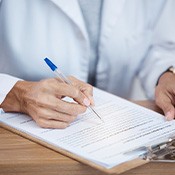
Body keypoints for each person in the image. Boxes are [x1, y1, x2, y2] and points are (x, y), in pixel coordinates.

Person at [0, 0, 175, 128]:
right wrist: (16, 95)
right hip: (19, 136)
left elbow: (158, 44)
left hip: (115, 128)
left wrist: (166, 73)